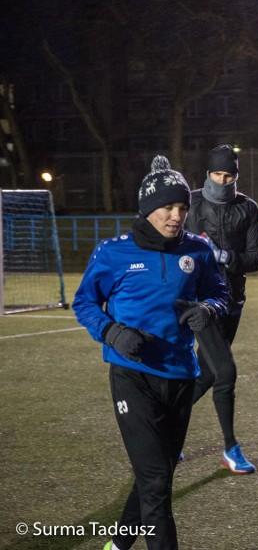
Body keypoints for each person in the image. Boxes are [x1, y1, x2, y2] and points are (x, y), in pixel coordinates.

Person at [73, 156, 229, 550]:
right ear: (147, 209)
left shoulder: (199, 249)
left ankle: (117, 544)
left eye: (182, 207)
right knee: (157, 480)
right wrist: (110, 331)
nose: (177, 215)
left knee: (155, 477)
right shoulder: (112, 253)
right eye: (167, 207)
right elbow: (84, 302)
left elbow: (219, 293)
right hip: (132, 376)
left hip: (180, 377)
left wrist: (208, 309)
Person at [184, 144, 258, 474]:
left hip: (233, 301)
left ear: (235, 176)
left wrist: (229, 258)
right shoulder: (190, 201)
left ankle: (163, 428)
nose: (221, 179)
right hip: (200, 302)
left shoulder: (247, 208)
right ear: (208, 173)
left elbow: (257, 258)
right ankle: (231, 448)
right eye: (216, 174)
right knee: (226, 372)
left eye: (227, 175)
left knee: (206, 374)